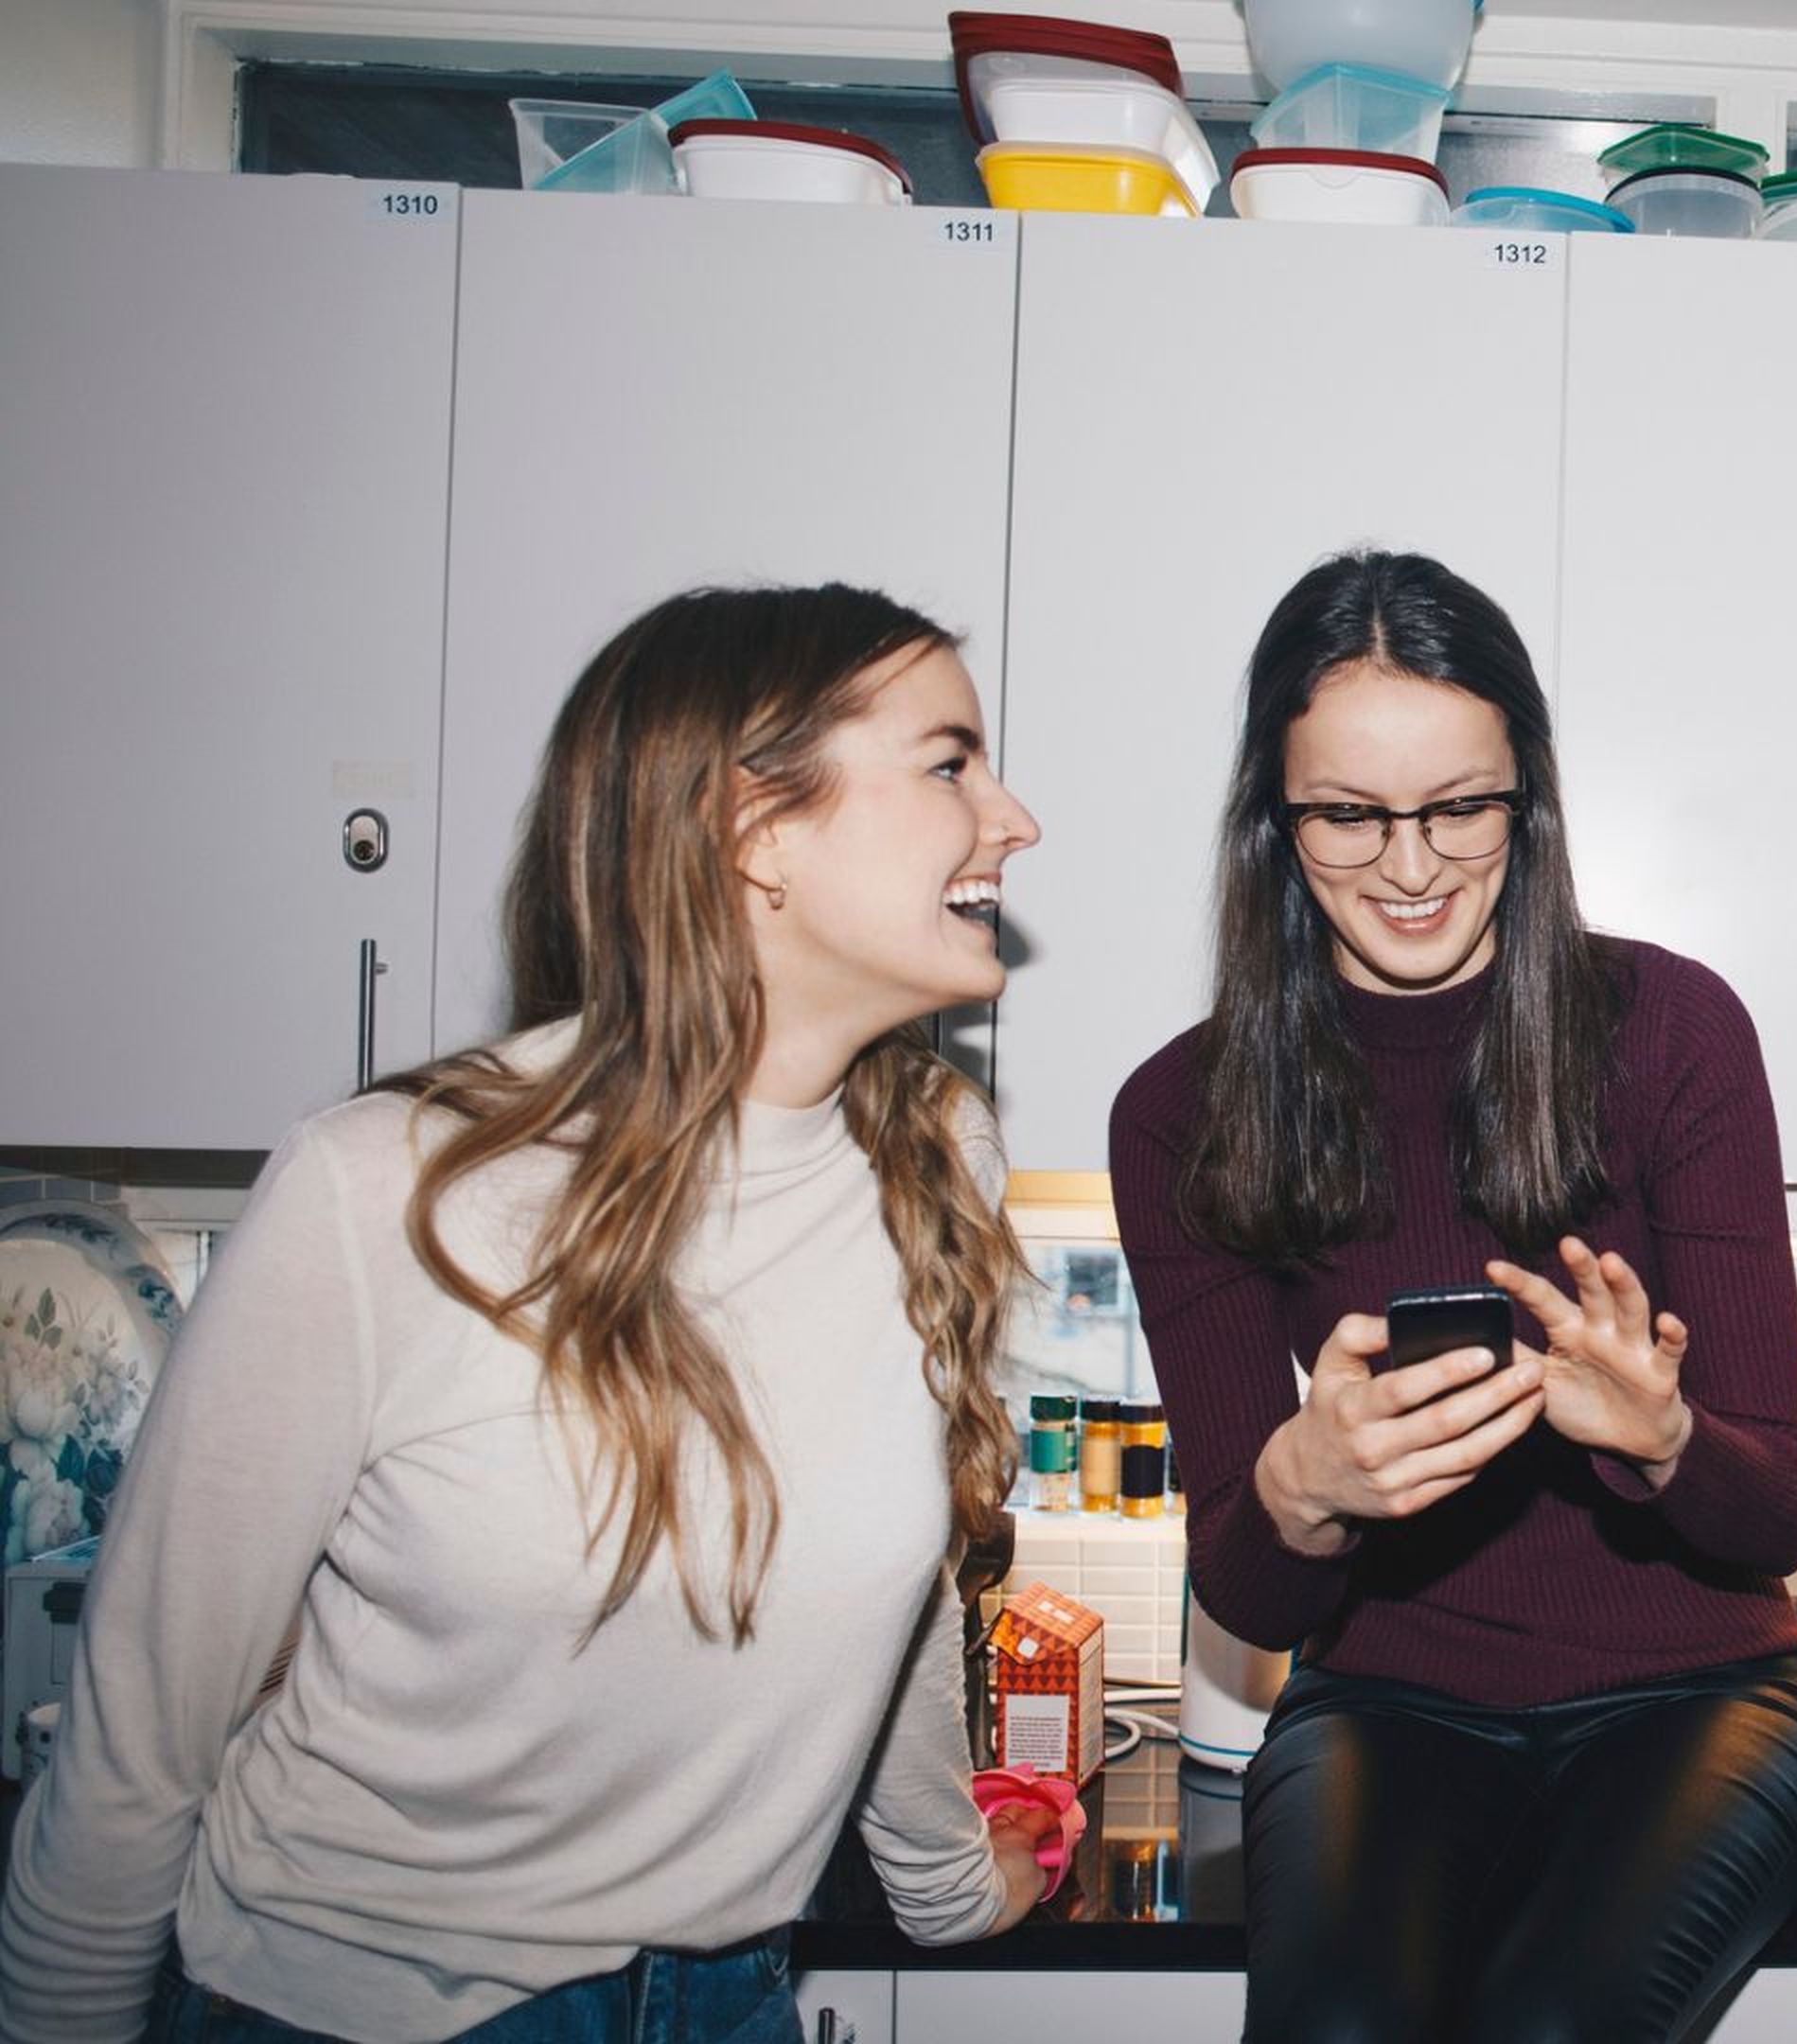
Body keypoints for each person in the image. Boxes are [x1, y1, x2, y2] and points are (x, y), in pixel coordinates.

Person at [1, 586, 1063, 2042]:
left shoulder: (937, 1158)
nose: (1012, 818)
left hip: (729, 2003)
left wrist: (943, 1884)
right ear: (754, 834)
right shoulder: (388, 1190)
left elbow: (900, 1588)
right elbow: (137, 1746)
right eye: (949, 763)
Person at [1107, 550, 1797, 2044]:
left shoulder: (1672, 1032)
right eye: (1349, 814)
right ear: (1273, 818)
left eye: (1460, 805)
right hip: (1389, 1706)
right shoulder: (1180, 1113)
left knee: (1552, 2029)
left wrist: (1666, 1439)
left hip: (1701, 1696)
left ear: (1528, 800)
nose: (1413, 863)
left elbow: (1790, 1512)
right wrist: (1303, 1491)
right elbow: (1249, 1591)